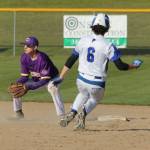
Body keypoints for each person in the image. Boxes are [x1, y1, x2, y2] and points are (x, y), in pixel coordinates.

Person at [52, 13, 143, 129]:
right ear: (107, 28)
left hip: (81, 80)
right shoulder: (109, 45)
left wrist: (61, 77)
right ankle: (82, 113)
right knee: (95, 99)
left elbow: (71, 60)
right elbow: (120, 66)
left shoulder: (83, 40)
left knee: (82, 93)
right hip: (97, 83)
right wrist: (133, 66)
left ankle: (72, 112)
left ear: (92, 26)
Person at [10, 36, 65, 122]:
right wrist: (18, 83)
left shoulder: (42, 59)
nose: (25, 47)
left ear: (35, 47)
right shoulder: (24, 57)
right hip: (38, 79)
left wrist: (28, 87)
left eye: (28, 46)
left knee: (52, 88)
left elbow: (45, 80)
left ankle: (62, 115)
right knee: (16, 88)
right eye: (24, 45)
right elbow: (24, 77)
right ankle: (18, 113)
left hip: (52, 79)